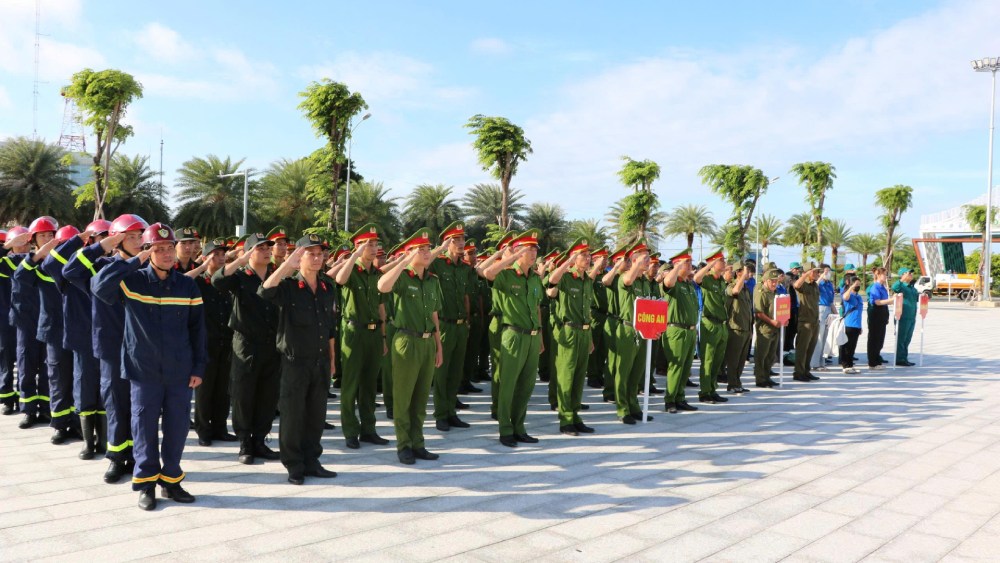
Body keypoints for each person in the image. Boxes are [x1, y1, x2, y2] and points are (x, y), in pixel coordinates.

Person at [92, 223, 206, 511]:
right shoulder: (133, 282)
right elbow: (99, 287)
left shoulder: (187, 285)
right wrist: (134, 260)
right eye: (158, 249)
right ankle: (145, 483)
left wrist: (199, 367)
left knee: (177, 427)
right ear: (148, 251)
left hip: (180, 370)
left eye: (170, 248)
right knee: (143, 428)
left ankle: (171, 480)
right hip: (143, 371)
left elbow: (198, 330)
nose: (166, 254)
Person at [63, 214, 147, 483]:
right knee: (114, 403)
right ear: (118, 240)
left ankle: (138, 456)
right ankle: (116, 458)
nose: (136, 242)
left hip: (141, 347)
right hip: (111, 347)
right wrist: (102, 245)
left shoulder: (147, 267)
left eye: (139, 236)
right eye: (130, 237)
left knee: (139, 405)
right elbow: (69, 270)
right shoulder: (101, 265)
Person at [260, 234, 339, 484]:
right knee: (293, 415)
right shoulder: (289, 286)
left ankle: (312, 460)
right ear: (299, 257)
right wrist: (286, 265)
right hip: (295, 362)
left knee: (316, 415)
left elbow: (330, 329)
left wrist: (332, 360)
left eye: (320, 254)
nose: (317, 258)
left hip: (320, 362)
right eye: (311, 254)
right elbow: (265, 290)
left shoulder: (328, 287)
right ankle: (294, 464)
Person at [43, 221, 112, 460]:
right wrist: (78, 239)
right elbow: (50, 262)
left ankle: (104, 440)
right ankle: (88, 443)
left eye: (106, 237)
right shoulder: (70, 274)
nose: (102, 241)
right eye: (98, 237)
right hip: (83, 339)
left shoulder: (108, 266)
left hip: (107, 338)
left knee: (106, 390)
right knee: (84, 389)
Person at [212, 233, 281, 465]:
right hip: (246, 344)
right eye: (260, 248)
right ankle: (245, 442)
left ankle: (260, 440)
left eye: (267, 247)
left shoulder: (275, 275)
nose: (266, 251)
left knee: (267, 395)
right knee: (243, 395)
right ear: (249, 251)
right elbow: (217, 280)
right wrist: (240, 260)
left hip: (272, 344)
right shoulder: (241, 276)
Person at [377, 229, 444, 464]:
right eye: (421, 250)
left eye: (428, 249)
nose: (426, 253)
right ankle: (403, 445)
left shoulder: (432, 280)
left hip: (427, 343)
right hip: (406, 341)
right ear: (409, 253)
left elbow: (434, 314)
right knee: (403, 398)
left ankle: (418, 443)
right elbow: (383, 286)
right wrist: (403, 262)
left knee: (421, 398)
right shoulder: (403, 277)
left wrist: (438, 345)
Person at [16, 217, 82, 444]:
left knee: (77, 378)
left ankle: (77, 422)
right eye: (43, 236)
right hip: (53, 331)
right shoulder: (40, 266)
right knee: (57, 378)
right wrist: (36, 255)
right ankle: (60, 424)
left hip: (77, 330)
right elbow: (20, 276)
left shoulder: (78, 267)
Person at [481, 229, 544, 446]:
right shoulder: (506, 275)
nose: (533, 252)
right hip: (513, 335)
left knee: (526, 385)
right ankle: (505, 429)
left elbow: (536, 308)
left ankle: (519, 426)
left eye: (535, 248)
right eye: (529, 249)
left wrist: (541, 337)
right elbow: (487, 273)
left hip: (532, 336)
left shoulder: (535, 278)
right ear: (518, 252)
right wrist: (511, 258)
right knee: (508, 384)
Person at [334, 223, 390, 449]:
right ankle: (350, 430)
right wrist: (353, 256)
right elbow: (339, 279)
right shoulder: (351, 270)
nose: (374, 248)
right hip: (354, 331)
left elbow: (381, 308)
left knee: (369, 385)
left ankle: (369, 429)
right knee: (350, 384)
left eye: (376, 243)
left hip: (375, 333)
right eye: (369, 244)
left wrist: (384, 337)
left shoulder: (377, 274)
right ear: (358, 247)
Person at [184, 238, 237, 446]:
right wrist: (203, 267)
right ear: (205, 258)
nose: (221, 258)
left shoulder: (228, 279)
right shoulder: (198, 281)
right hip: (206, 343)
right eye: (215, 255)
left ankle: (220, 427)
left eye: (223, 255)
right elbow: (183, 280)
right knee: (205, 391)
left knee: (223, 389)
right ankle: (204, 431)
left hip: (226, 339)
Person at [546, 238, 596, 436]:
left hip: (584, 332)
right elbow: (551, 282)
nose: (587, 258)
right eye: (582, 255)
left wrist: (590, 337)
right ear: (573, 259)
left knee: (578, 377)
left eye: (588, 254)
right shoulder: (566, 277)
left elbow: (588, 311)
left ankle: (575, 416)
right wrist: (568, 262)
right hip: (568, 331)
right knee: (566, 377)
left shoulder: (588, 281)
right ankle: (566, 419)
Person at [429, 221, 474, 432]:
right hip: (444, 326)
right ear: (447, 242)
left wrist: (466, 320)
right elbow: (423, 261)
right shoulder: (437, 263)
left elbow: (466, 294)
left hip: (460, 326)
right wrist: (440, 247)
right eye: (455, 240)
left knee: (456, 371)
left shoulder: (464, 268)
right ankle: (440, 414)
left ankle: (450, 411)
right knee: (442, 372)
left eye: (462, 239)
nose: (460, 243)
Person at [3, 225, 50, 428]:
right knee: (26, 367)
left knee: (49, 369)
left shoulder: (51, 260)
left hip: (48, 322)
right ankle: (29, 410)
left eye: (50, 235)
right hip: (25, 322)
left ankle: (48, 410)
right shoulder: (15, 261)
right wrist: (8, 246)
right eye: (42, 235)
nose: (46, 238)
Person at [612, 240, 653, 424]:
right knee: (624, 371)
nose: (648, 261)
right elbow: (628, 280)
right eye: (645, 258)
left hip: (643, 331)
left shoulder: (645, 281)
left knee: (637, 371)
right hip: (628, 329)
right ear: (634, 260)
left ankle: (633, 405)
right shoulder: (624, 277)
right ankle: (622, 409)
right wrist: (635, 263)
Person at [662, 249, 701, 413]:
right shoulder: (674, 282)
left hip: (690, 331)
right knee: (676, 366)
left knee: (686, 367)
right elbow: (667, 282)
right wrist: (676, 267)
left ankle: (680, 397)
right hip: (676, 330)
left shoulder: (688, 284)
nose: (690, 265)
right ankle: (670, 400)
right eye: (687, 262)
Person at [693, 249, 729, 405]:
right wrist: (710, 265)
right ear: (713, 263)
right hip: (709, 322)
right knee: (707, 359)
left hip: (721, 324)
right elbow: (696, 278)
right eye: (722, 260)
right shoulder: (707, 279)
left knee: (717, 361)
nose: (725, 263)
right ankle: (705, 392)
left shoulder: (720, 280)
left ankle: (712, 389)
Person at [723, 260, 752, 394]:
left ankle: (737, 382)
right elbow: (735, 291)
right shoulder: (731, 286)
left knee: (741, 360)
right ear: (738, 272)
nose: (748, 273)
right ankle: (731, 384)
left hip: (746, 328)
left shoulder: (745, 289)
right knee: (733, 360)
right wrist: (742, 276)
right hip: (735, 329)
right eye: (745, 271)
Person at [753, 269, 782, 388]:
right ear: (765, 281)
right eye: (772, 281)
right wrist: (772, 322)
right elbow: (758, 313)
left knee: (770, 355)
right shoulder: (762, 292)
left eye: (776, 281)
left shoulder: (773, 292)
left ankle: (767, 376)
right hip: (765, 328)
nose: (774, 283)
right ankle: (760, 379)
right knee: (762, 355)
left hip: (775, 328)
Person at [0, 228, 19, 416]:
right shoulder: (4, 264)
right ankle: (7, 398)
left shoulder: (20, 263)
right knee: (5, 359)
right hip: (4, 318)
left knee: (22, 361)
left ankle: (22, 397)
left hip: (21, 318)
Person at [865, 267, 891, 370]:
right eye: (884, 274)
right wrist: (891, 300)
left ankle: (877, 359)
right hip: (875, 313)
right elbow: (877, 302)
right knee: (874, 339)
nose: (886, 276)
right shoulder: (875, 287)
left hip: (882, 314)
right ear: (878, 275)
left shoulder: (883, 287)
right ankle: (872, 362)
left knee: (880, 339)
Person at [892, 268, 918, 366]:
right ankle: (900, 359)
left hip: (911, 317)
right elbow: (894, 287)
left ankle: (904, 357)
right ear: (902, 275)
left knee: (907, 339)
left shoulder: (912, 288)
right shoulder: (901, 286)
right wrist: (902, 279)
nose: (911, 275)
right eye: (909, 273)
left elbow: (916, 298)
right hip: (902, 316)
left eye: (911, 273)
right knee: (901, 338)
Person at [839, 273, 864, 374]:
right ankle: (845, 366)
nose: (857, 286)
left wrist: (860, 326)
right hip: (849, 324)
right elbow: (844, 297)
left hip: (856, 325)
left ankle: (850, 365)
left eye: (859, 284)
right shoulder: (848, 295)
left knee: (852, 347)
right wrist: (851, 287)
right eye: (856, 284)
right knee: (847, 347)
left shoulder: (858, 297)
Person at [812, 264, 835, 370]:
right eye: (826, 271)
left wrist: (836, 315)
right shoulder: (819, 283)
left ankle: (822, 362)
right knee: (819, 337)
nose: (828, 273)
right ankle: (815, 363)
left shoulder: (829, 284)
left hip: (828, 310)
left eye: (829, 272)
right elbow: (814, 286)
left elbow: (831, 301)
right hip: (820, 309)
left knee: (825, 338)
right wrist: (821, 276)